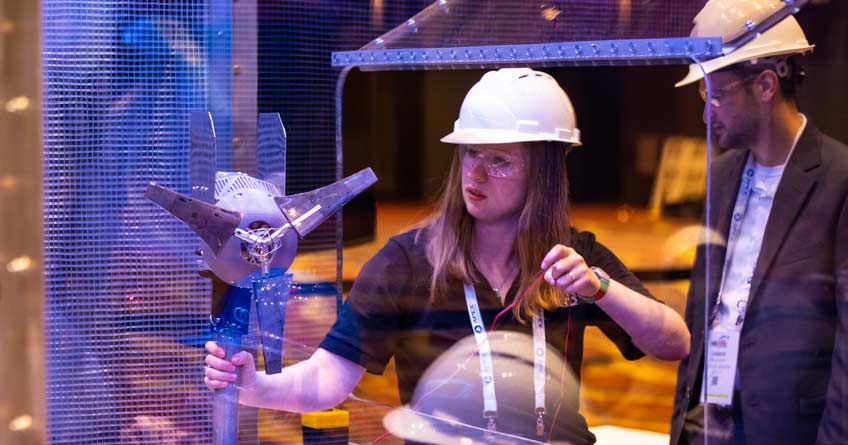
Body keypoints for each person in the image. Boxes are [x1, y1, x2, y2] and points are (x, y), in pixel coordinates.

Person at [205, 67, 690, 444]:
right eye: (469, 155)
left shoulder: (576, 259)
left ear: (542, 174)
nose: (475, 176)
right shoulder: (408, 261)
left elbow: (674, 343)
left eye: (499, 161)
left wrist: (600, 288)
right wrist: (255, 387)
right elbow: (328, 378)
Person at [669, 2, 848, 445]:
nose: (706, 115)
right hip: (705, 421)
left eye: (715, 95)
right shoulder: (722, 174)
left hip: (785, 430)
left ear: (766, 85)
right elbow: (700, 312)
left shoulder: (840, 180)